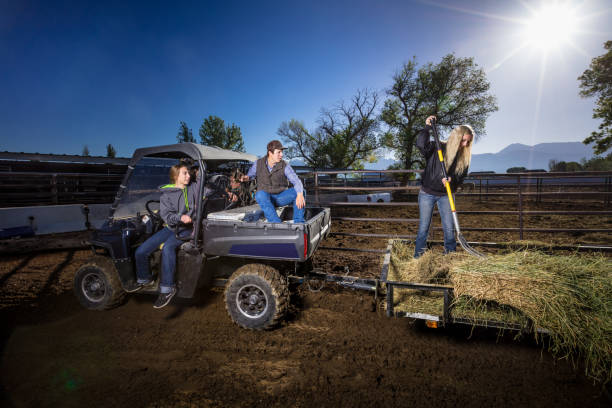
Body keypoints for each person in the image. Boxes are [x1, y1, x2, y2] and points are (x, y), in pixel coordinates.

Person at [126, 162, 200, 308]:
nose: (188, 175)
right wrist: (180, 217)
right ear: (176, 176)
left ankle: (167, 288)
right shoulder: (167, 195)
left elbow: (207, 189)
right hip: (171, 227)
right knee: (141, 251)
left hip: (188, 228)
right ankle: (145, 280)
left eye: (188, 173)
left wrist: (229, 194)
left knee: (168, 248)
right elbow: (166, 216)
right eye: (184, 173)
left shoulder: (193, 187)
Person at [414, 115, 474, 258]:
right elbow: (421, 145)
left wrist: (452, 180)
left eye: (468, 141)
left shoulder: (463, 158)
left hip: (446, 195)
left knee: (449, 228)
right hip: (426, 194)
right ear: (456, 137)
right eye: (463, 140)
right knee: (423, 228)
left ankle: (450, 256)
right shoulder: (437, 147)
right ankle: (418, 257)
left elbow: (461, 178)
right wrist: (427, 127)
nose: (465, 144)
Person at [241, 140, 305, 223]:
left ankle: (299, 223)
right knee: (259, 194)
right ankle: (276, 223)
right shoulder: (258, 163)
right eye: (278, 152)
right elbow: (250, 176)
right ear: (270, 153)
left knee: (300, 192)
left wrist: (300, 194)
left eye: (282, 152)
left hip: (281, 198)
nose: (281, 155)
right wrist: (245, 178)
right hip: (266, 198)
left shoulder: (284, 165)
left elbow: (296, 181)